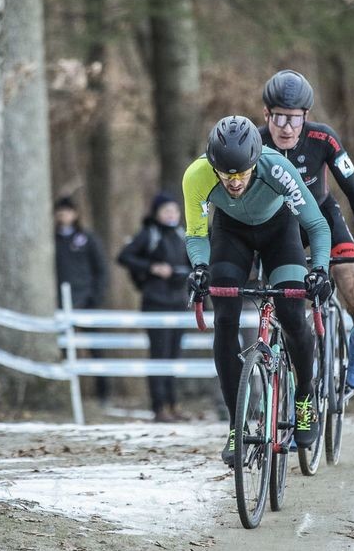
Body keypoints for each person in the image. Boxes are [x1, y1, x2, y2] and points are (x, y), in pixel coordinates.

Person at [183, 116, 332, 464]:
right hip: (231, 235)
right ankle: (237, 426)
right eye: (226, 174)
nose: (234, 182)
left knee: (293, 313)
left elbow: (317, 225)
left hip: (279, 233)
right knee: (225, 319)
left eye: (242, 173)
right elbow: (196, 233)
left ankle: (305, 397)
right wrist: (200, 268)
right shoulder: (197, 175)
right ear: (213, 165)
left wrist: (320, 270)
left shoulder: (277, 168)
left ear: (255, 161)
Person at [259, 69, 354, 390]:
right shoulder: (254, 141)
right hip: (279, 225)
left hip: (323, 216)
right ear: (266, 114)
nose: (286, 128)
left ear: (306, 116)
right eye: (279, 118)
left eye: (295, 119)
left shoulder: (323, 138)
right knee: (286, 298)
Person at [117, 192, 192, 423]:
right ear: (157, 213)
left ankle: (173, 404)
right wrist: (153, 268)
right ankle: (158, 407)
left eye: (174, 210)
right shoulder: (148, 234)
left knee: (174, 355)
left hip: (179, 302)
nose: (171, 214)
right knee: (159, 355)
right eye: (166, 211)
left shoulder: (183, 234)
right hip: (156, 302)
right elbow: (124, 257)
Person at [53, 195, 111, 402]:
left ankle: (103, 393)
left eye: (67, 212)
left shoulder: (88, 239)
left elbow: (101, 270)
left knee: (95, 347)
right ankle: (66, 392)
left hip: (86, 300)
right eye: (59, 212)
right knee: (63, 348)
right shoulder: (52, 240)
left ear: (75, 214)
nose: (63, 216)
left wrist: (95, 297)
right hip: (60, 302)